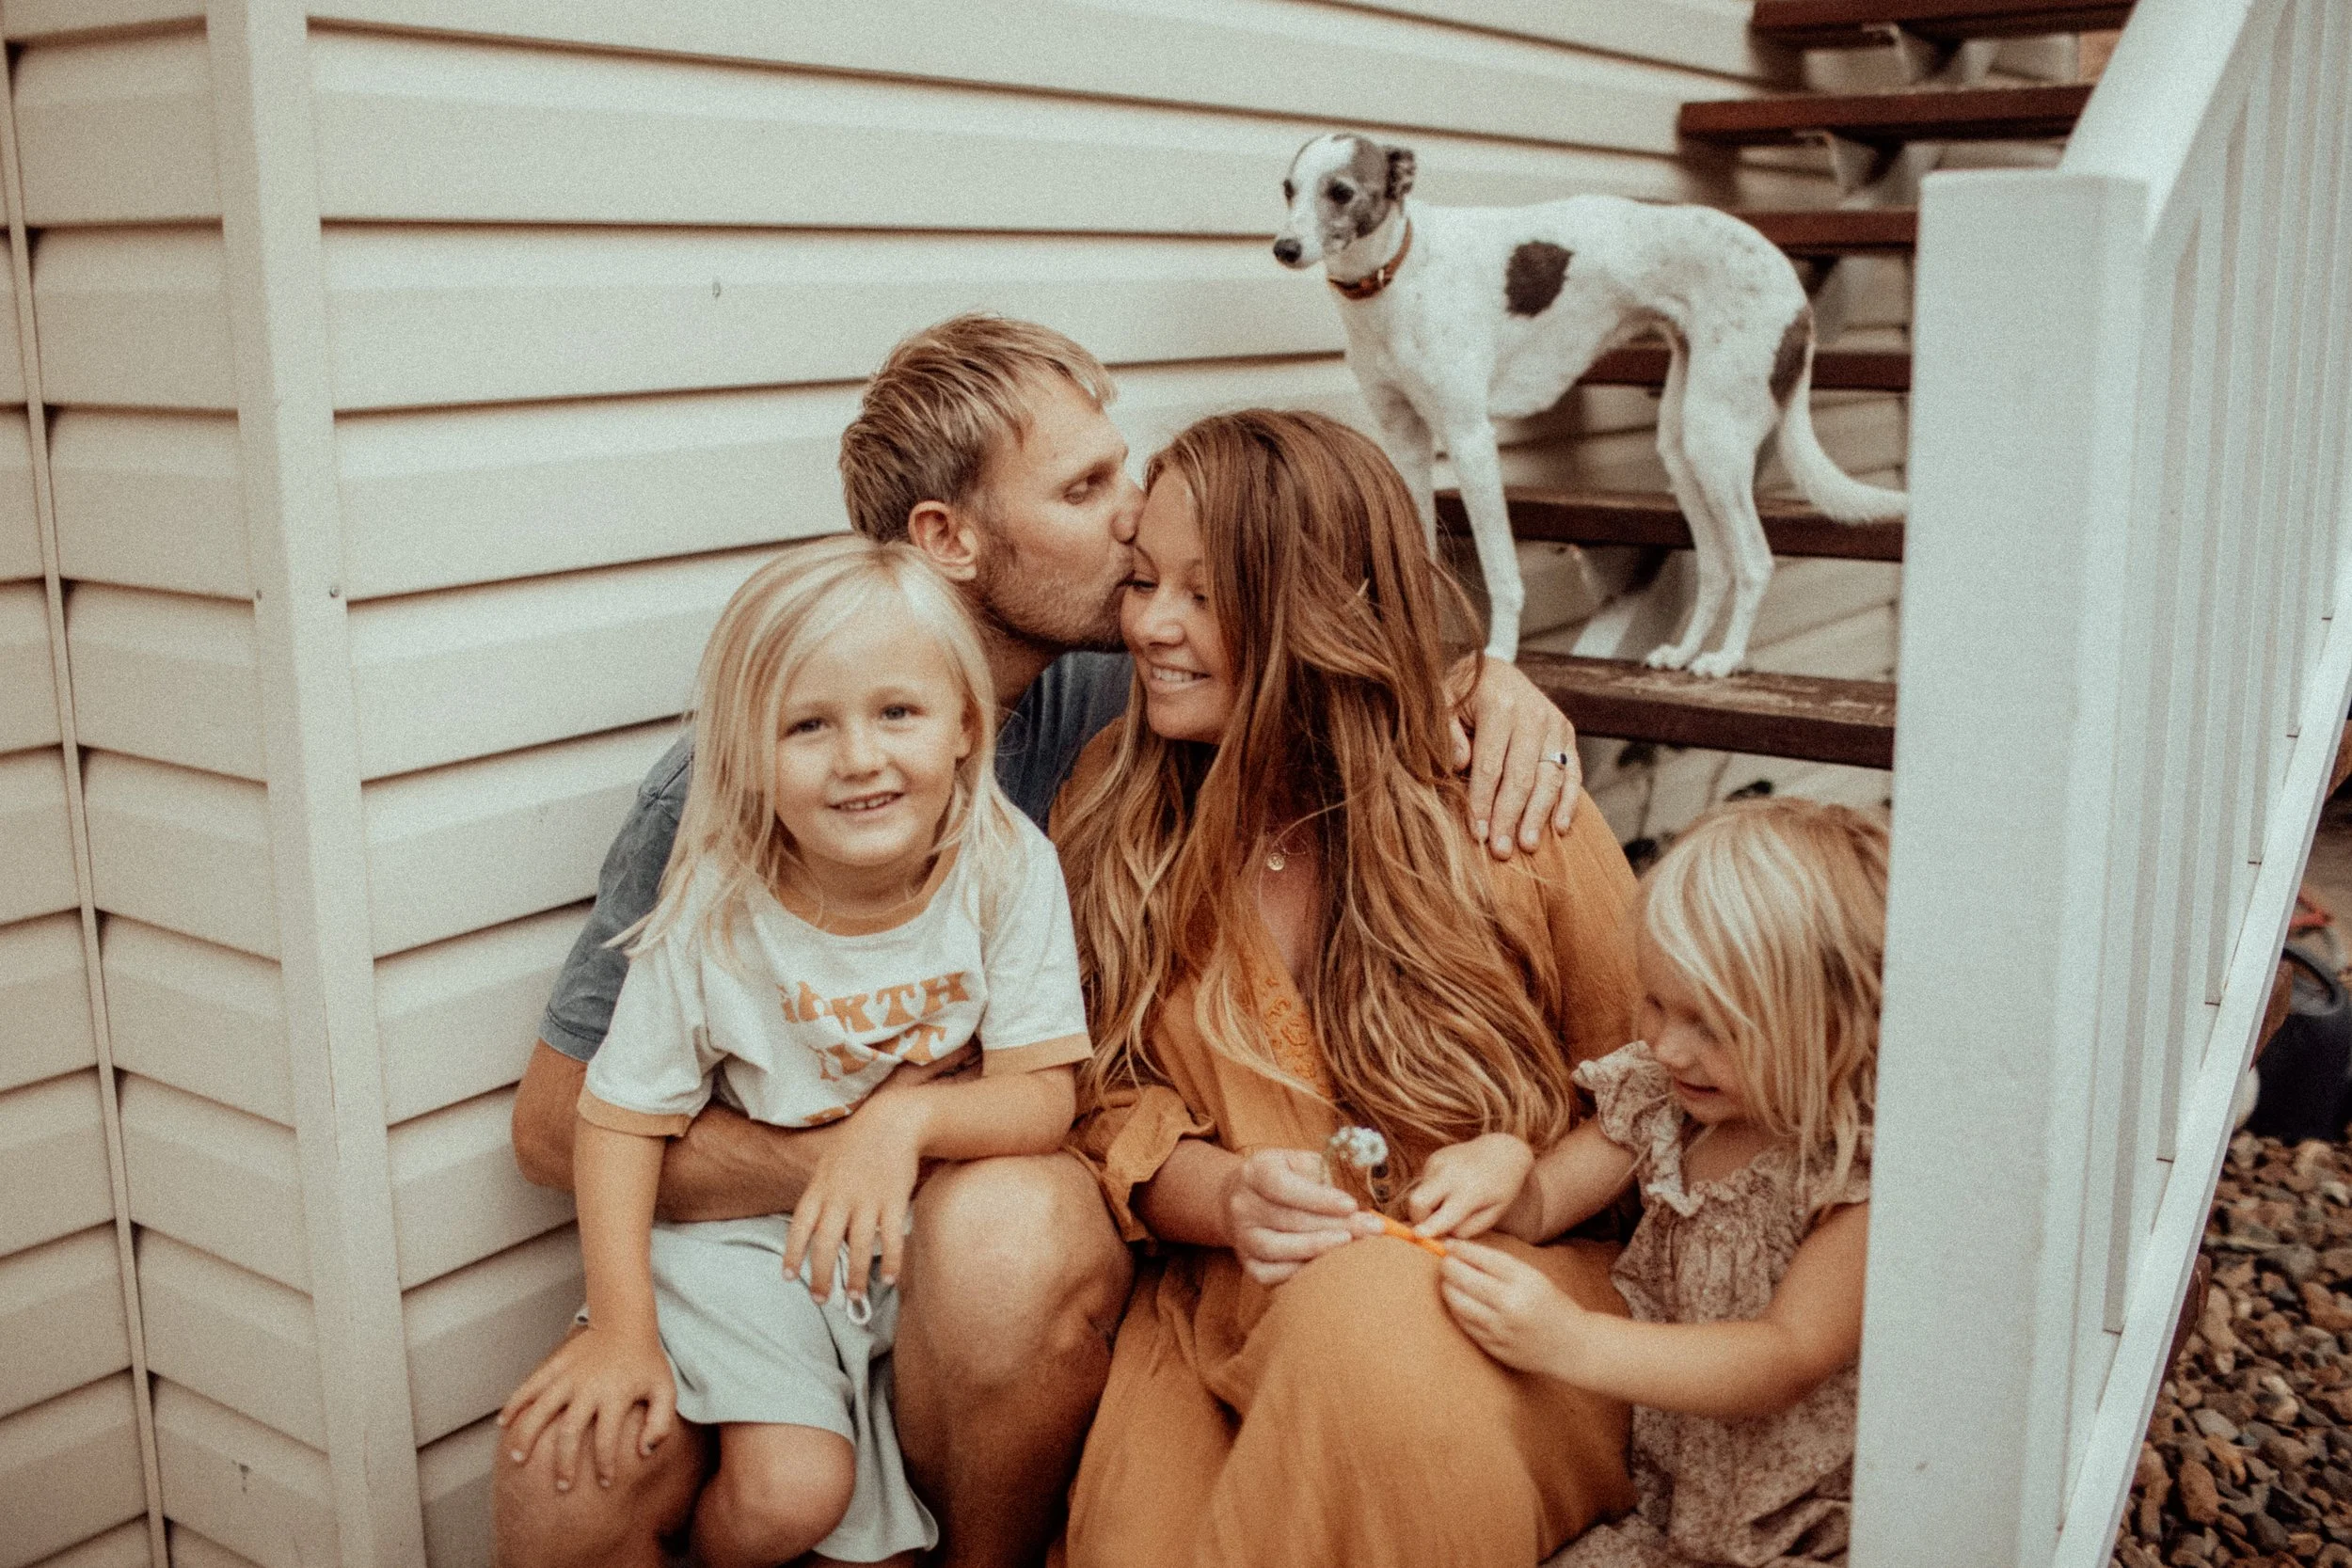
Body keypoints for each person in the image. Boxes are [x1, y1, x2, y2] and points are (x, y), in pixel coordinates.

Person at [498, 315, 1590, 1568]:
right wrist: (852, 1157)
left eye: (1122, 472)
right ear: (948, 541)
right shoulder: (746, 780)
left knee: (1003, 1236)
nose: (1137, 517)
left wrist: (1484, 681)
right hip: (768, 1251)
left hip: (995, 1235)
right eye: (1087, 488)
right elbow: (552, 1126)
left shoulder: (1122, 688)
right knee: (560, 1483)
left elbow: (1309, 652)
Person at [1055, 408, 1643, 1568]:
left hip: (1501, 1293)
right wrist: (1223, 1195)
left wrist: (1529, 1186)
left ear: (1322, 609)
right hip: (1225, 1303)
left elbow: (1656, 1086)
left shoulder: (1509, 811)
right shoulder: (1113, 807)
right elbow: (1100, 1098)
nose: (1153, 627)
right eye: (1140, 581)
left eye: (1206, 596)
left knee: (1368, 1325)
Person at [496, 538, 1093, 1566]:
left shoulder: (1002, 864)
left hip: (909, 1255)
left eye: (896, 712)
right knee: (788, 1497)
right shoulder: (716, 904)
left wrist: (899, 1122)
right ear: (743, 754)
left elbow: (1042, 1092)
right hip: (745, 1256)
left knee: (874, 1537)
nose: (859, 756)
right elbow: (616, 1116)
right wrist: (623, 1332)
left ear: (965, 723)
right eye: (807, 725)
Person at [1439, 797, 1884, 1566]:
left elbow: (1786, 1355)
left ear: (1830, 1024)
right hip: (1666, 1497)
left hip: (1796, 1524)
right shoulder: (1666, 1103)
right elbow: (1544, 1204)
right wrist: (1501, 1166)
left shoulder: (1851, 1174)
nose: (1669, 1046)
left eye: (1712, 1024)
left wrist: (1572, 1340)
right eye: (1655, 1001)